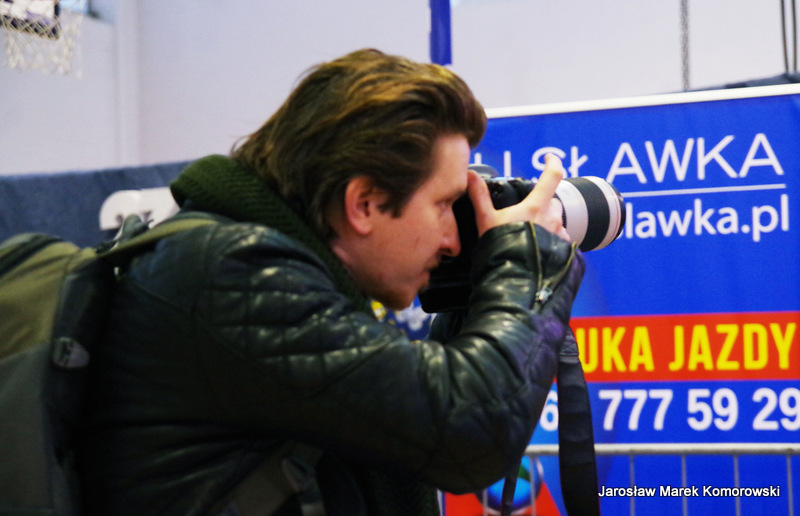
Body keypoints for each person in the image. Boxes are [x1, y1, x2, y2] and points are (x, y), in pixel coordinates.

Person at [78, 48, 584, 516]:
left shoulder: (252, 266)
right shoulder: (235, 277)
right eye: (443, 205)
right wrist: (527, 259)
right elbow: (468, 435)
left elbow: (414, 425)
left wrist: (476, 286)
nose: (454, 238)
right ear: (363, 204)